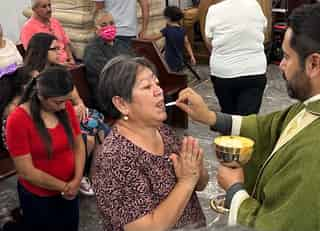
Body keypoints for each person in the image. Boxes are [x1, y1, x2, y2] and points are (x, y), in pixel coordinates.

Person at [175, 1, 320, 230]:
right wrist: (210, 116)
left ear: (314, 63)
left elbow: (283, 225)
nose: (281, 65)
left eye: (287, 57)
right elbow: (273, 126)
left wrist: (235, 191)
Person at [92, 56, 207, 231]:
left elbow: (200, 184)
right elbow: (147, 227)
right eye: (147, 86)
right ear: (122, 103)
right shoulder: (115, 158)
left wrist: (197, 167)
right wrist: (187, 180)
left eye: (157, 84)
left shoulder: (162, 130)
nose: (158, 91)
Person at [6, 66, 85, 231]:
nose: (64, 106)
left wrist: (77, 179)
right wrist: (64, 187)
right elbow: (26, 171)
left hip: (70, 188)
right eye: (58, 102)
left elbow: (78, 145)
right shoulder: (18, 120)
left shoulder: (65, 107)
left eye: (66, 100)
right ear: (41, 96)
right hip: (39, 196)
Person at [23, 32, 97, 196]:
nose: (60, 52)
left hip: (66, 112)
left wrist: (80, 105)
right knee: (90, 138)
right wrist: (69, 106)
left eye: (60, 48)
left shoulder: (59, 70)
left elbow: (75, 96)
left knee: (98, 128)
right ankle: (79, 176)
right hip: (49, 119)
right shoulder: (33, 78)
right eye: (55, 49)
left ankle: (89, 176)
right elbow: (39, 110)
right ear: (42, 51)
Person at [204, 0, 267, 115]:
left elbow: (209, 40)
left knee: (228, 115)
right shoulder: (255, 5)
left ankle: (229, 131)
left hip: (223, 72)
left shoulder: (214, 10)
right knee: (248, 120)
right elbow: (263, 29)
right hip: (254, 70)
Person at [83, 10, 135, 106]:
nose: (109, 27)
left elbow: (135, 64)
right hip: (108, 97)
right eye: (103, 25)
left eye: (111, 23)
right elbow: (109, 75)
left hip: (127, 88)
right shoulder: (92, 50)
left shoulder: (121, 44)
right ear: (95, 29)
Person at [20, 0, 75, 66]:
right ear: (34, 9)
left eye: (49, 5)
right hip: (48, 67)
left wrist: (71, 59)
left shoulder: (54, 21)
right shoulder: (27, 28)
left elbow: (66, 43)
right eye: (44, 7)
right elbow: (34, 55)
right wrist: (60, 64)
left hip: (66, 63)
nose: (49, 9)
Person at [143, 6, 196, 72]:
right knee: (178, 75)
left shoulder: (167, 30)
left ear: (168, 18)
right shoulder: (182, 30)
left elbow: (153, 38)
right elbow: (187, 43)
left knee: (170, 76)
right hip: (180, 60)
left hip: (169, 61)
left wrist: (144, 36)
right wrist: (192, 56)